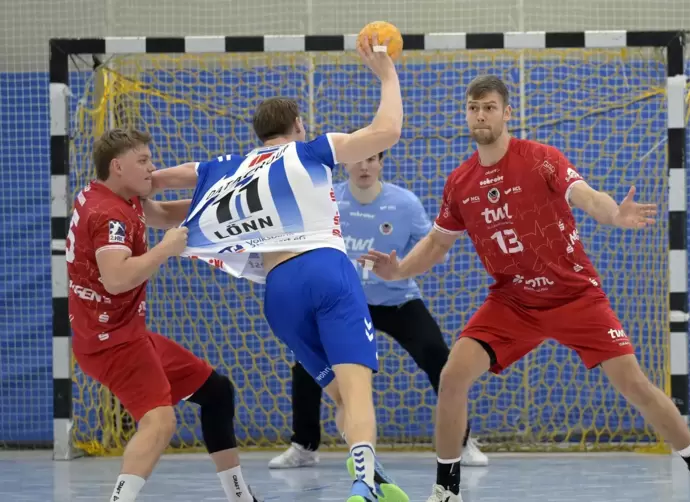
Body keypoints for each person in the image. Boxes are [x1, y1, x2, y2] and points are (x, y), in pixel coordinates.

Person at [361, 75, 690, 502]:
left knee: (635, 385)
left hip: (575, 296)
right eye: (473, 107)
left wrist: (615, 215)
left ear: (507, 113)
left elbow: (587, 196)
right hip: (512, 301)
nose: (480, 114)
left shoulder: (542, 159)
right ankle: (446, 491)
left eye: (489, 106)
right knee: (452, 375)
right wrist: (398, 272)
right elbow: (436, 243)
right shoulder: (460, 182)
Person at [148, 36, 407, 502]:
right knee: (359, 389)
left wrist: (137, 185)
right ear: (297, 125)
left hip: (279, 292)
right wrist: (387, 74)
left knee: (341, 397)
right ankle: (364, 484)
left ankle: (375, 472)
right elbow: (386, 131)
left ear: (259, 135)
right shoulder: (310, 152)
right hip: (326, 270)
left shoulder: (232, 168)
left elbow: (166, 206)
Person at [66, 129, 262, 502]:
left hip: (126, 334)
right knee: (160, 422)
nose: (152, 167)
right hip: (113, 343)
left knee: (216, 392)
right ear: (117, 165)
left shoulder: (110, 195)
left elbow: (160, 213)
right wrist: (165, 250)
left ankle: (239, 497)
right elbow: (118, 278)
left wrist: (227, 205)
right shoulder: (108, 214)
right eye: (143, 160)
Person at [267, 149, 488, 470]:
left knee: (437, 356)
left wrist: (403, 265)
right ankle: (304, 445)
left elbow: (437, 251)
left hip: (396, 301)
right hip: (342, 303)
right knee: (306, 365)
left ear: (381, 163)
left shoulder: (405, 204)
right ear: (345, 164)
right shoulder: (327, 202)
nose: (364, 165)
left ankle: (462, 441)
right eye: (358, 158)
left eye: (372, 159)